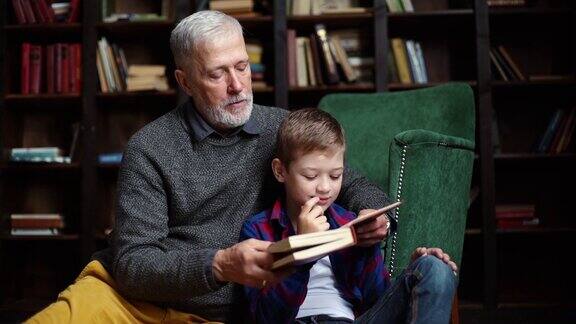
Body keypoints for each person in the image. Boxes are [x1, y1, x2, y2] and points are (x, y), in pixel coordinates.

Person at [26, 11, 393, 323]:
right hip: (135, 303)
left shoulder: (281, 128)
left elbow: (350, 181)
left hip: (229, 314)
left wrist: (371, 212)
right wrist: (218, 266)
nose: (237, 86)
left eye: (242, 67)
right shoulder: (150, 147)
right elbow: (132, 265)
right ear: (185, 81)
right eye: (217, 74)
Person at [240, 108, 458, 324]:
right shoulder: (258, 230)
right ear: (280, 171)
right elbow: (265, 317)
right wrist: (303, 250)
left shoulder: (349, 225)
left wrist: (412, 278)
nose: (325, 187)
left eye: (335, 176)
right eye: (311, 176)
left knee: (434, 268)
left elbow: (378, 300)